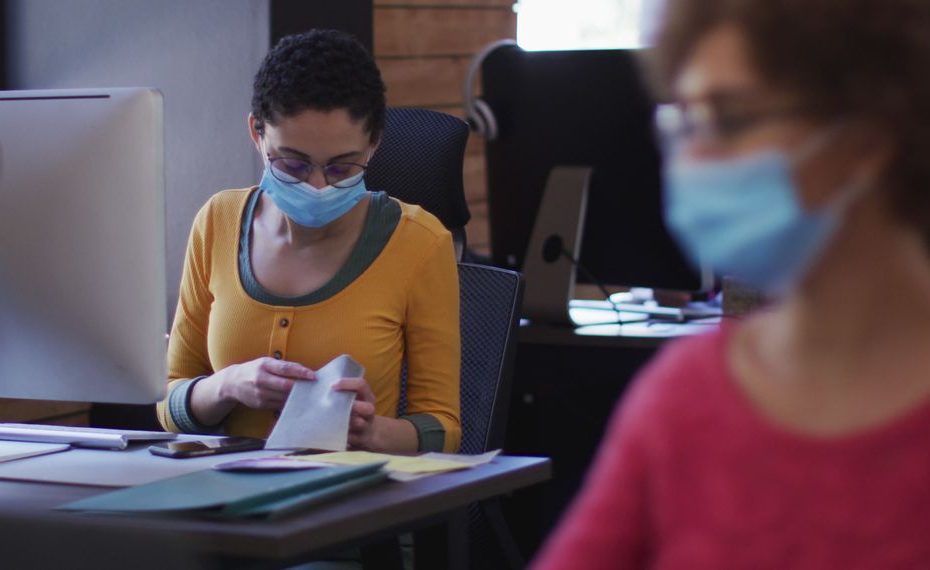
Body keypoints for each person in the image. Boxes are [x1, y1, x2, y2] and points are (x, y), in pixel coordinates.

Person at [534, 0, 930, 567]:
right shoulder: (685, 396)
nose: (692, 159)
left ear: (868, 139)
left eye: (729, 118)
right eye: (685, 122)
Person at [156, 29, 461, 454]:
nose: (317, 185)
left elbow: (444, 428)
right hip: (224, 496)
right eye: (293, 163)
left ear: (373, 143)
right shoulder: (217, 221)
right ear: (257, 134)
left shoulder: (420, 242)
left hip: (351, 504)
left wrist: (374, 434)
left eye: (341, 168)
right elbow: (169, 402)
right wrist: (228, 385)